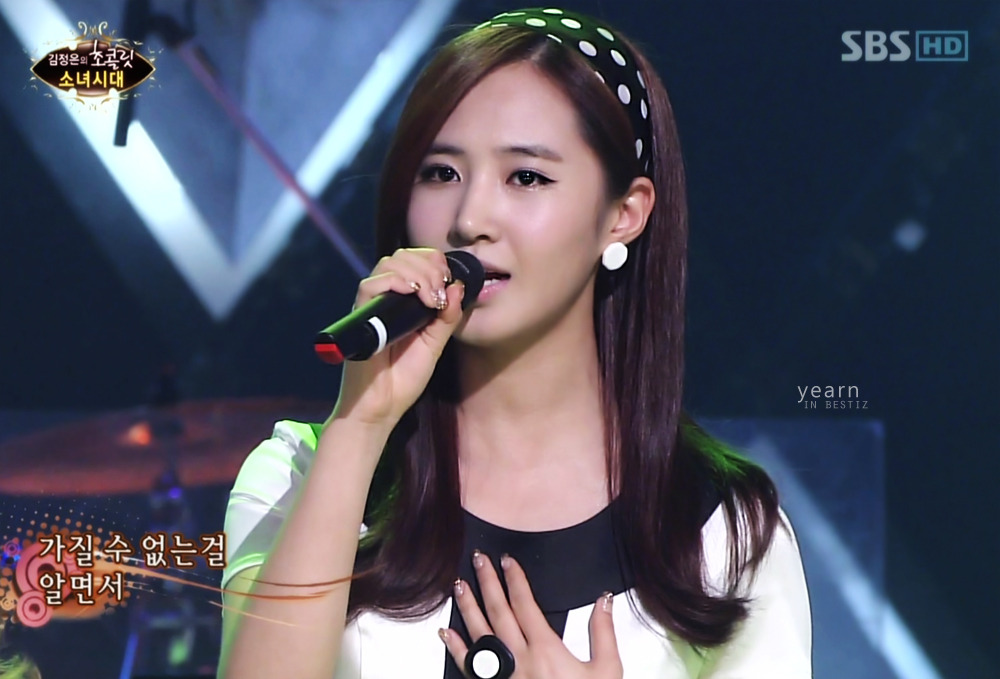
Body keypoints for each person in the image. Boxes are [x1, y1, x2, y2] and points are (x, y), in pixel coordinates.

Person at [217, 7, 812, 679]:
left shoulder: (722, 531)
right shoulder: (295, 475)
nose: (470, 219)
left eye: (526, 177)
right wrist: (361, 425)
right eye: (441, 173)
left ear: (624, 214)